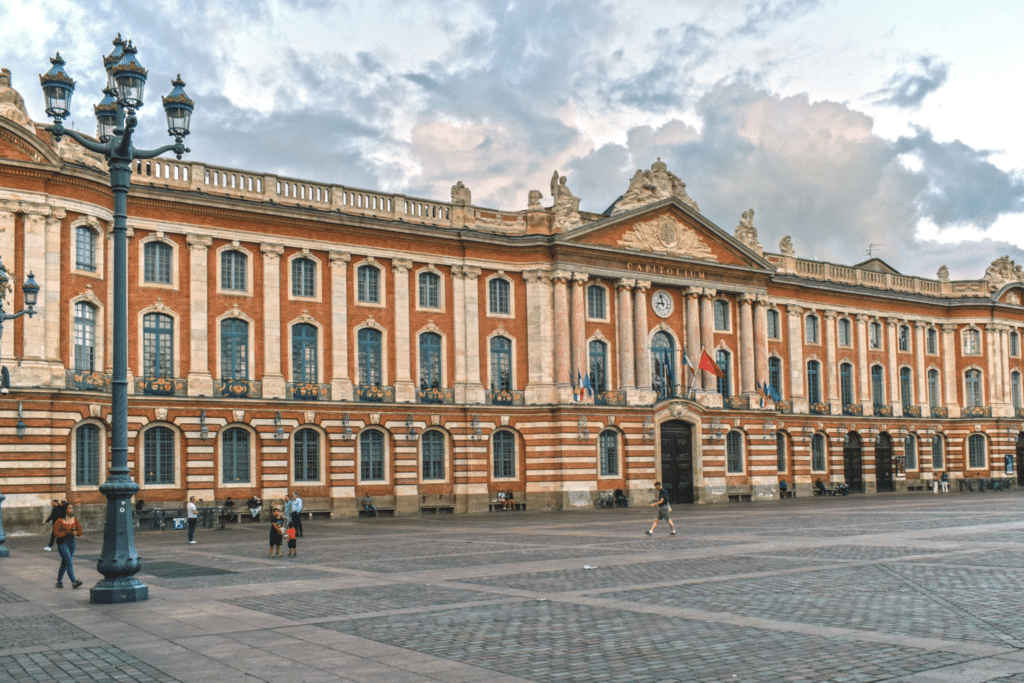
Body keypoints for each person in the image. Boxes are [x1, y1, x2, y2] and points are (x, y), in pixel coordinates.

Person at [53, 502, 83, 589]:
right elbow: (56, 533)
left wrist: (75, 532)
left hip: (72, 542)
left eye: (72, 508)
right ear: (65, 510)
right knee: (69, 560)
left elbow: (80, 532)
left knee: (65, 562)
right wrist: (67, 532)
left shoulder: (74, 519)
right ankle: (74, 582)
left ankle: (58, 581)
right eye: (69, 508)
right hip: (62, 543)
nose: (71, 510)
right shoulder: (59, 521)